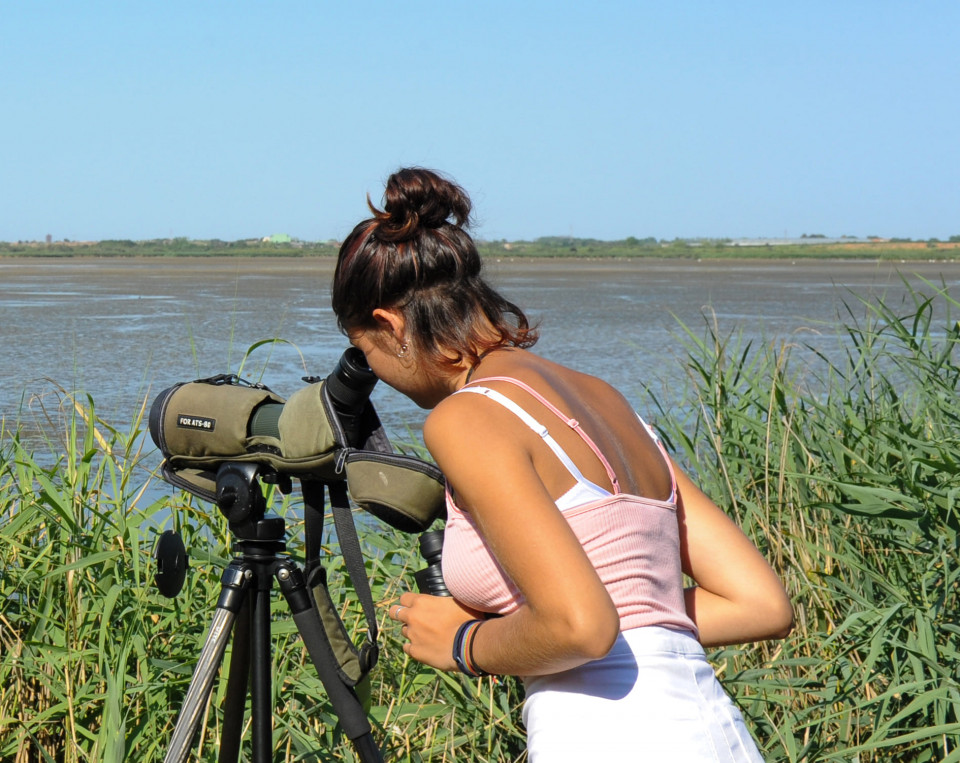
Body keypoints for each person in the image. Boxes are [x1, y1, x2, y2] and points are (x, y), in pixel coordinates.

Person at [339, 168, 793, 761]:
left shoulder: (465, 418)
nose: (378, 377)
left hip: (606, 737)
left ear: (390, 326)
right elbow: (760, 604)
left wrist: (463, 642)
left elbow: (581, 628)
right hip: (715, 734)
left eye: (366, 353)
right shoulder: (605, 399)